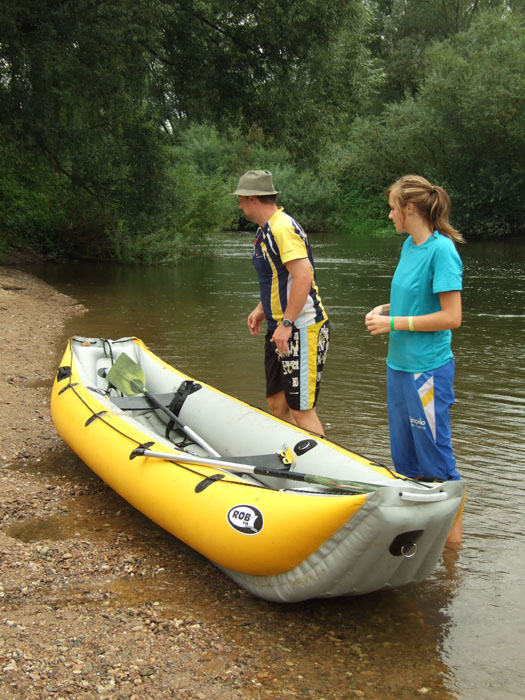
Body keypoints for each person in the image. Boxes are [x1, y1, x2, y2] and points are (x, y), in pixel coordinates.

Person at [365, 174, 465, 547]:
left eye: (393, 208)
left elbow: (451, 316)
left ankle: (452, 550)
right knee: (406, 462)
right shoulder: (410, 246)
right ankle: (418, 542)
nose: (390, 215)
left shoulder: (443, 251)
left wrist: (392, 322)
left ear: (409, 209)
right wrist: (389, 309)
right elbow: (418, 297)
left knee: (436, 462)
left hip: (428, 371)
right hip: (398, 367)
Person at [231, 169, 330, 435]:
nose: (239, 205)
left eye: (240, 199)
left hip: (301, 327)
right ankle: (296, 455)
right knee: (277, 402)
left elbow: (303, 277)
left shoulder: (282, 228)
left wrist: (286, 322)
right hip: (280, 327)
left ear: (253, 199)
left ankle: (325, 471)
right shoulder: (265, 231)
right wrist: (262, 308)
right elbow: (278, 277)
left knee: (301, 409)